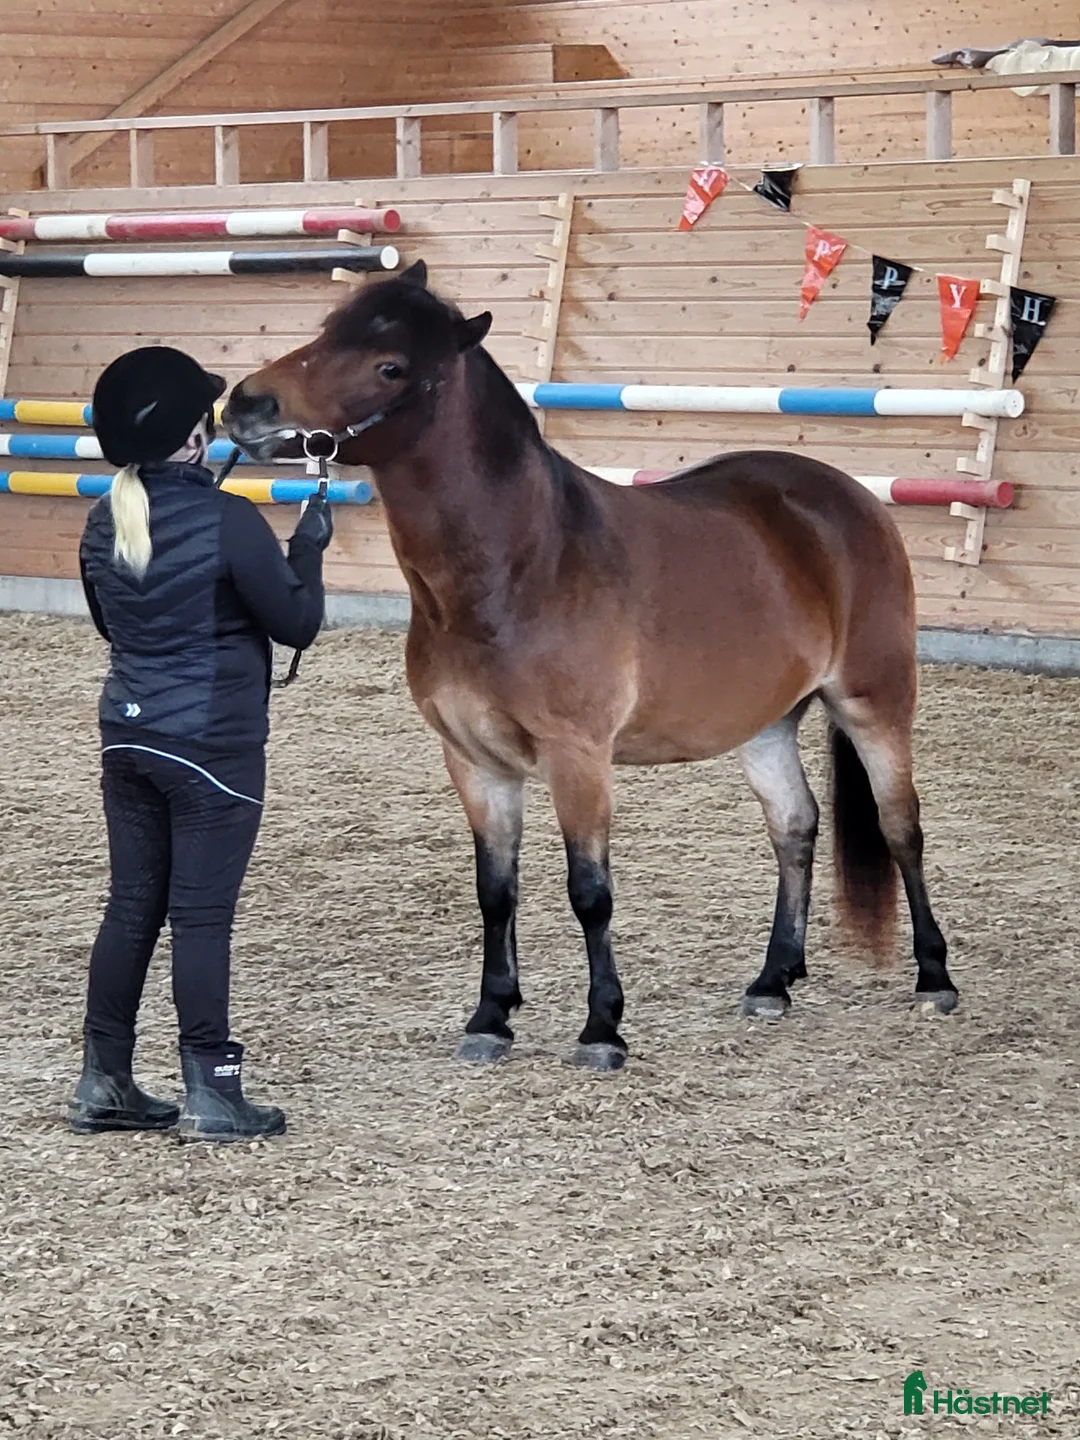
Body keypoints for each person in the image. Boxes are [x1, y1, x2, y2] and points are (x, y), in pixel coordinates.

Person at [70, 345, 333, 1142]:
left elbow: (110, 624)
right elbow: (298, 624)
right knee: (201, 918)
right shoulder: (228, 520)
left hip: (129, 737)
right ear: (193, 435)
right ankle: (214, 1090)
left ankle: (104, 1080)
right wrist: (308, 550)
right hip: (211, 747)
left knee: (130, 910)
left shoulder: (101, 517)